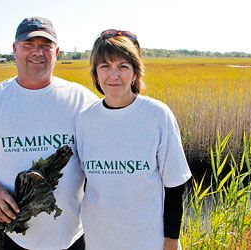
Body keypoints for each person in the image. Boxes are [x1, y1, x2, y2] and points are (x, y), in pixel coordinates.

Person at [0, 17, 98, 250]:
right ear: (14, 49)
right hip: (10, 237)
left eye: (45, 46)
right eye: (29, 45)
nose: (37, 52)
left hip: (75, 237)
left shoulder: (81, 100)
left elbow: (105, 159)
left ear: (56, 51)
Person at [75, 29, 192, 250]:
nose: (114, 75)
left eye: (123, 67)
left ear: (135, 73)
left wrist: (171, 241)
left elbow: (175, 186)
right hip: (98, 240)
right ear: (96, 74)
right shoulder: (85, 119)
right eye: (105, 67)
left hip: (148, 240)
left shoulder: (157, 115)